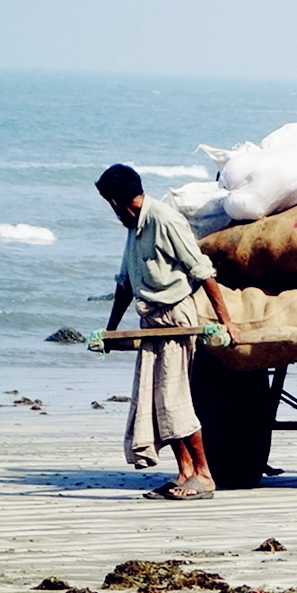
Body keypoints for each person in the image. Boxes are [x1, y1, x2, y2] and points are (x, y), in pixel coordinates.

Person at [97, 164, 241, 499]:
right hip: (151, 322)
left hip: (176, 319)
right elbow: (125, 284)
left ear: (116, 201)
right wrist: (111, 331)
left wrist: (225, 320)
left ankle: (204, 476)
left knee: (174, 399)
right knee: (157, 399)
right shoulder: (134, 228)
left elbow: (202, 271)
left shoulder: (165, 220)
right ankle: (184, 473)